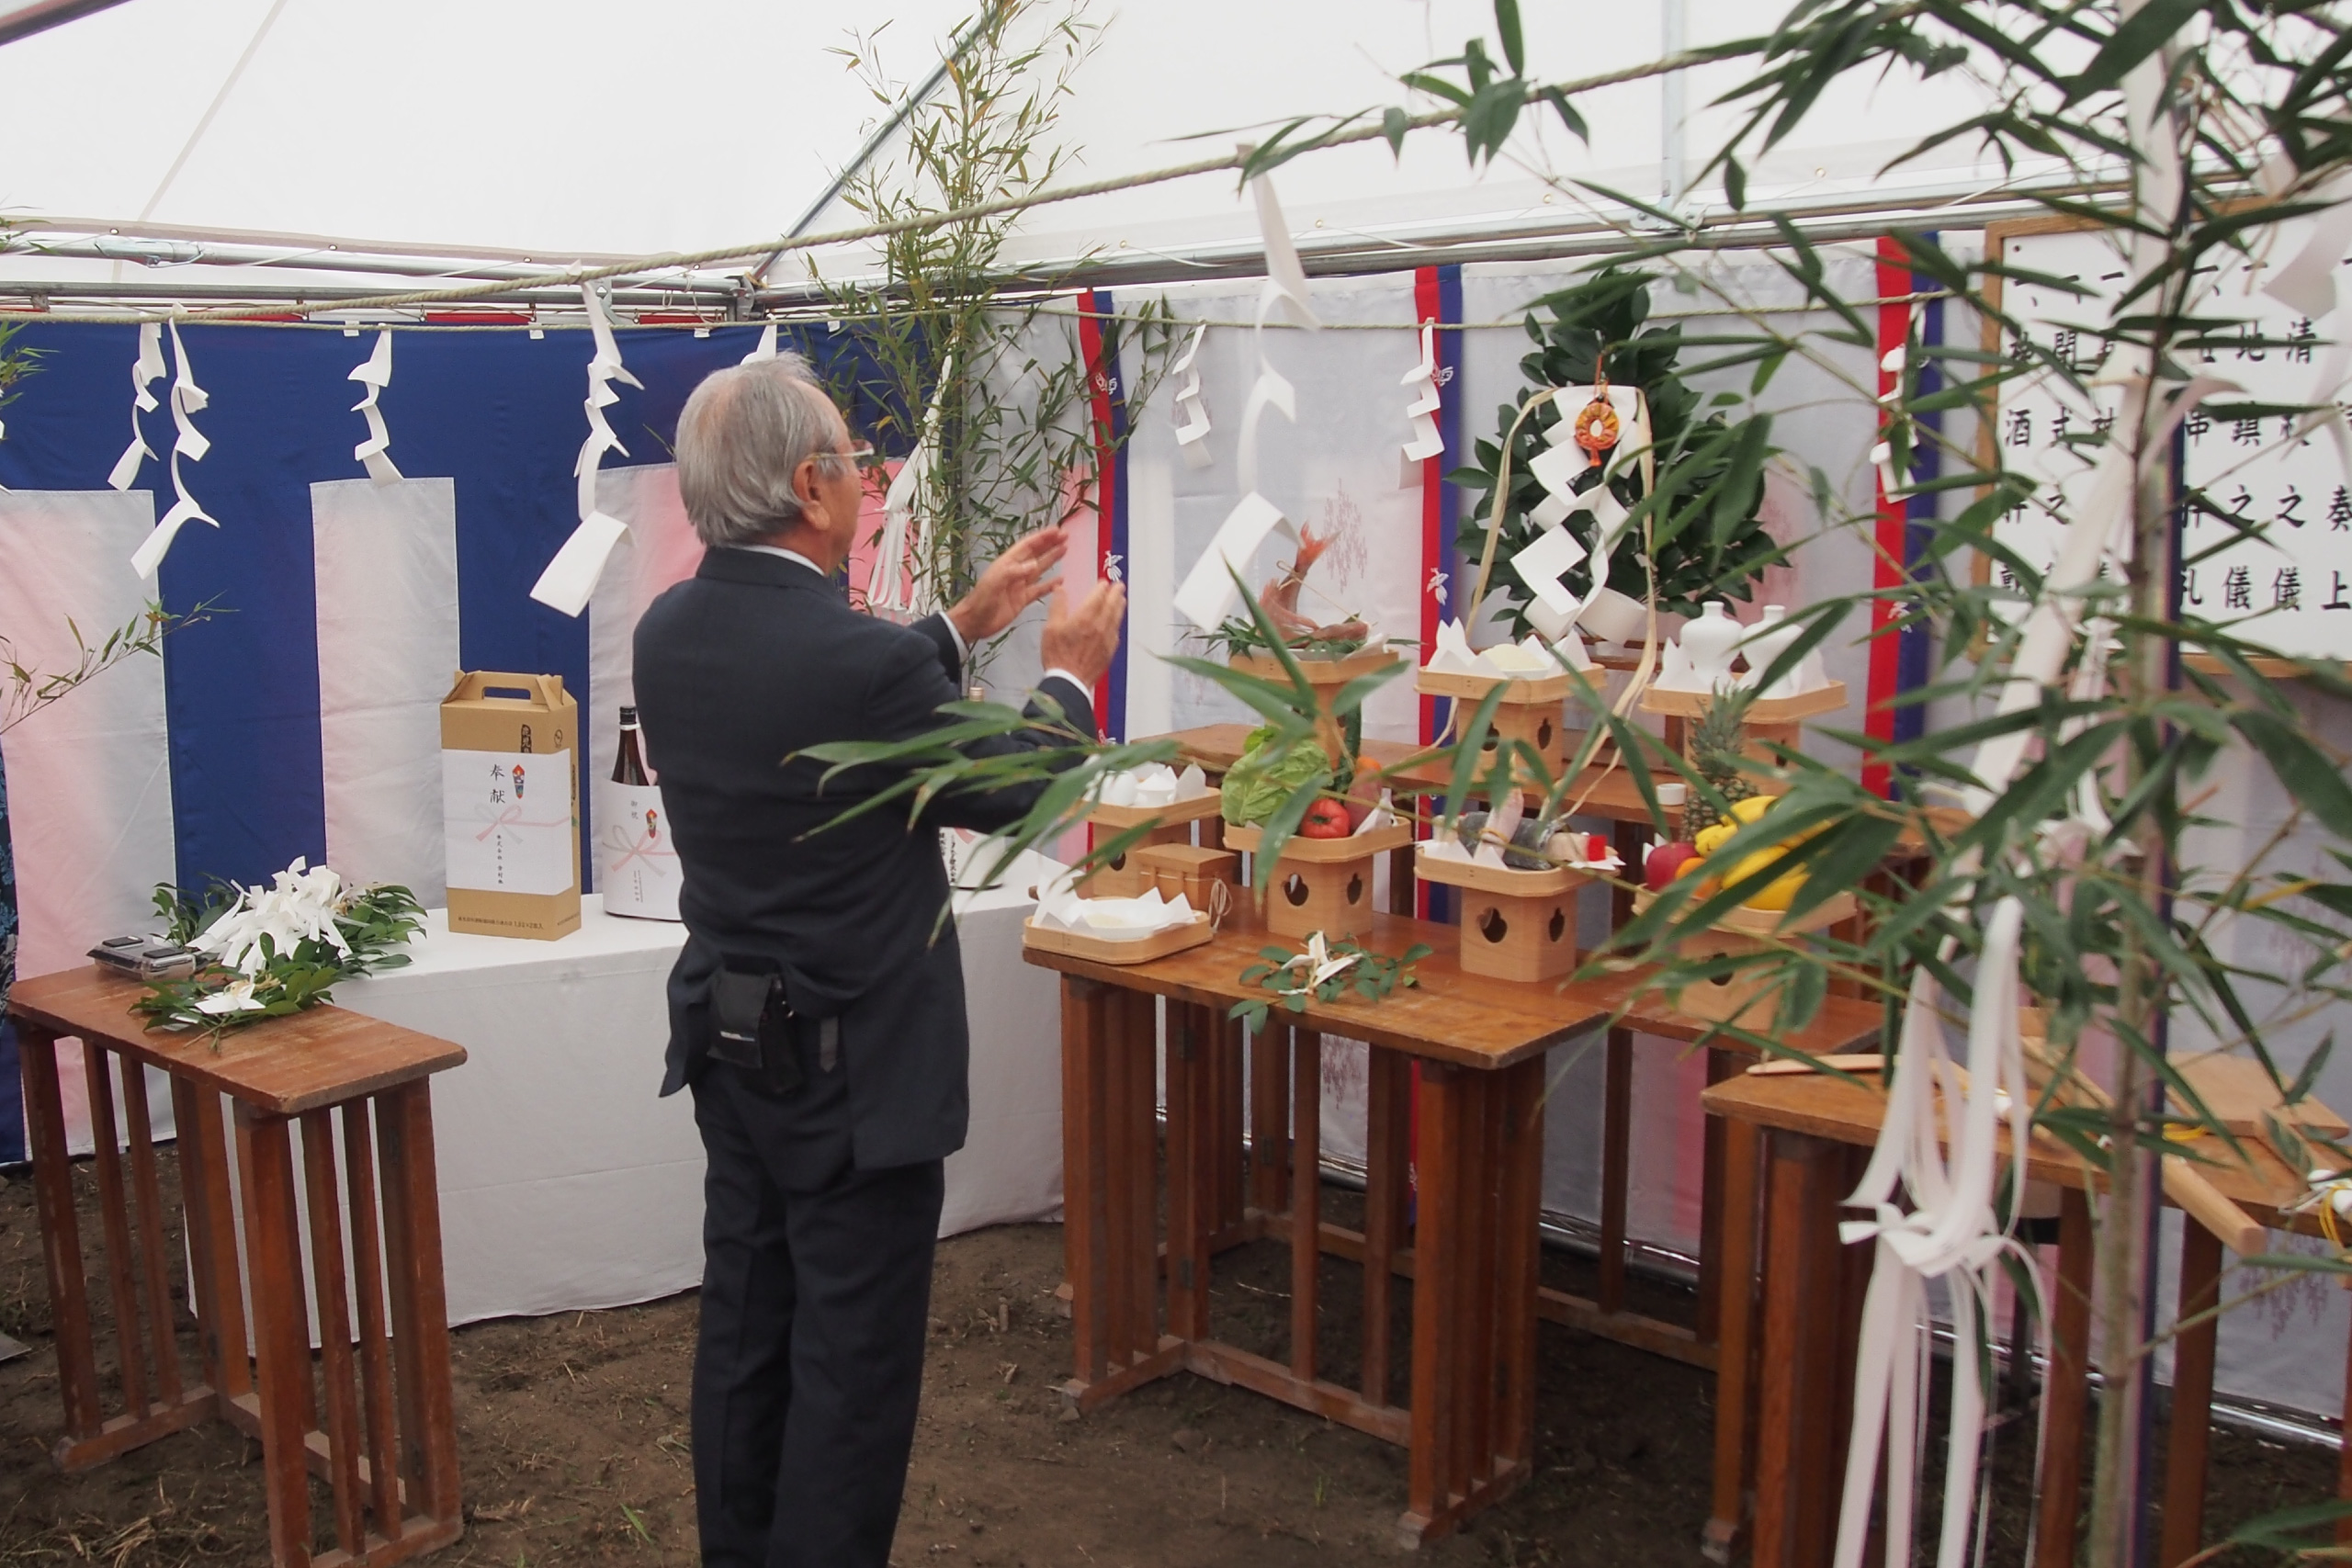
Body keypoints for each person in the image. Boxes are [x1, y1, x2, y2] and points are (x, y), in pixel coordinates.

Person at [631, 354, 1125, 1568]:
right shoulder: (860, 667)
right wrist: (1067, 673)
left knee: (747, 1334)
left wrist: (958, 625)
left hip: (735, 1040)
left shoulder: (671, 628)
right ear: (812, 484)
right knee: (850, 1373)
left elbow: (815, 696)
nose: (866, 475)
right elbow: (1020, 784)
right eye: (854, 458)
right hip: (854, 1072)